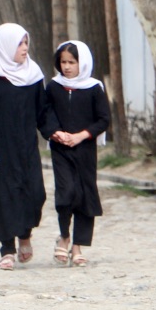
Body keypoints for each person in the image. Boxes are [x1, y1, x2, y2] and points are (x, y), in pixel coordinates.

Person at [0, 23, 48, 270]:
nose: (25, 48)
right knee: (5, 197)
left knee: (35, 193)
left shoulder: (33, 75)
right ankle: (7, 249)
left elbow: (42, 112)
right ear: (5, 46)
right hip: (0, 149)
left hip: (27, 147)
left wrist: (56, 133)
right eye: (20, 44)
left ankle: (25, 233)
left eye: (26, 43)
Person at [42, 40, 110, 268]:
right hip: (61, 149)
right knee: (66, 191)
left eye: (72, 62)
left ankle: (79, 245)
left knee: (84, 193)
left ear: (83, 63)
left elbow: (103, 119)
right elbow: (44, 114)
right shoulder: (53, 87)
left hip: (85, 149)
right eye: (63, 62)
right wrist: (55, 133)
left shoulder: (94, 88)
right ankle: (64, 235)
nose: (67, 67)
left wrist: (81, 135)